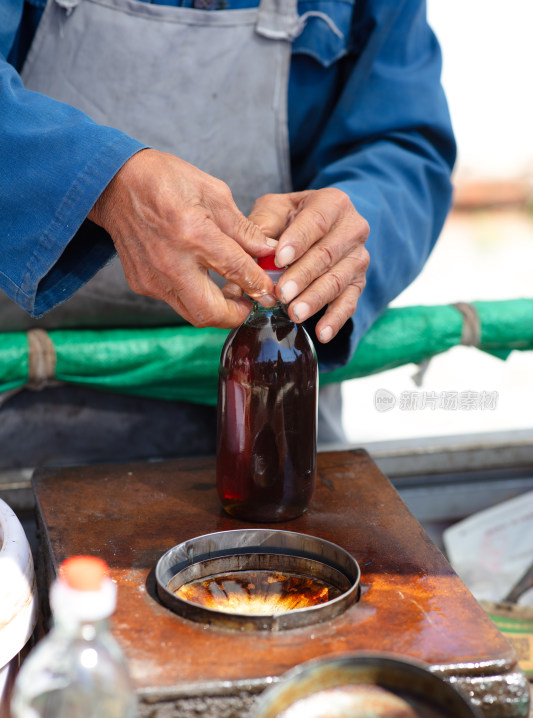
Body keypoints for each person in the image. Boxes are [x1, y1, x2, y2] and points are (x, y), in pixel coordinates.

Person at [0, 0, 456, 468]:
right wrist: (100, 184)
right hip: (16, 387)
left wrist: (348, 226)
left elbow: (403, 144)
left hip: (274, 396)